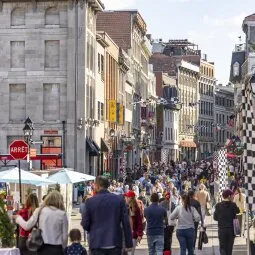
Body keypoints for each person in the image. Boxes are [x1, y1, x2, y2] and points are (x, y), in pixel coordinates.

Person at [82, 176, 133, 255]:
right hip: (114, 242)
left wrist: (93, 228)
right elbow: (126, 223)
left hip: (97, 243)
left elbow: (85, 224)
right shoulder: (119, 200)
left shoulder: (90, 202)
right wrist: (128, 242)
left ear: (98, 185)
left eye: (94, 184)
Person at [15, 191, 68, 255]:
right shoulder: (62, 214)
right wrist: (63, 247)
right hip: (57, 249)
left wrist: (18, 218)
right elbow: (65, 237)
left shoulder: (39, 211)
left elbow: (27, 226)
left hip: (42, 248)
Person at [214, 189, 240, 255]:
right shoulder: (233, 205)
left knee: (222, 247)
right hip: (231, 230)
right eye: (232, 195)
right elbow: (238, 211)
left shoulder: (218, 205)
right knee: (229, 248)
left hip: (222, 229)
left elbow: (215, 218)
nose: (233, 197)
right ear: (229, 196)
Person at [125, 190, 143, 255]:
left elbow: (139, 222)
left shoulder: (136, 208)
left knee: (130, 253)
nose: (126, 198)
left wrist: (140, 234)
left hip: (133, 235)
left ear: (131, 198)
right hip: (125, 235)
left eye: (127, 197)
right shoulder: (125, 207)